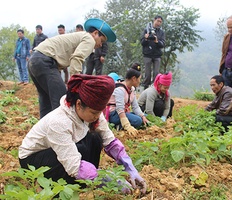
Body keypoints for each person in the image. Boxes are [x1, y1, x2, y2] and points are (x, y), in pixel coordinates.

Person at [18, 74, 147, 194]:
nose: (97, 116)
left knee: (95, 138)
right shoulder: (58, 122)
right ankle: (59, 186)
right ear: (79, 104)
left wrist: (130, 168)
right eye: (94, 113)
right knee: (80, 150)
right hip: (33, 158)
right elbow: (73, 164)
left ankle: (86, 181)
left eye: (99, 112)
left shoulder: (93, 113)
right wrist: (109, 180)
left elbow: (110, 141)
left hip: (57, 150)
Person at [28, 18, 117, 119]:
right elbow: (76, 58)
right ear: (95, 33)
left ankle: (44, 131)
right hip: (45, 61)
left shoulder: (81, 36)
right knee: (62, 101)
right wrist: (76, 84)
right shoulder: (89, 39)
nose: (101, 44)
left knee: (46, 100)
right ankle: (61, 131)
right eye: (102, 40)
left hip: (35, 60)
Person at [107, 63, 148, 135]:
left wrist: (143, 116)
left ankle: (121, 124)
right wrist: (127, 126)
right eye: (139, 79)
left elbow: (135, 106)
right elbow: (120, 110)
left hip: (124, 112)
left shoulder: (132, 89)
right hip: (114, 114)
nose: (140, 81)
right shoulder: (120, 89)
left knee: (143, 117)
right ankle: (118, 126)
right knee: (137, 120)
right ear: (134, 79)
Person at [140, 15, 165, 89]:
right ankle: (145, 89)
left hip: (157, 55)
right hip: (147, 54)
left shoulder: (161, 32)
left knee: (156, 74)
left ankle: (155, 89)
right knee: (147, 74)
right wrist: (146, 38)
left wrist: (157, 41)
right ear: (154, 20)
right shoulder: (146, 30)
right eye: (158, 21)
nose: (159, 23)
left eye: (160, 22)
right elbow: (142, 43)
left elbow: (163, 44)